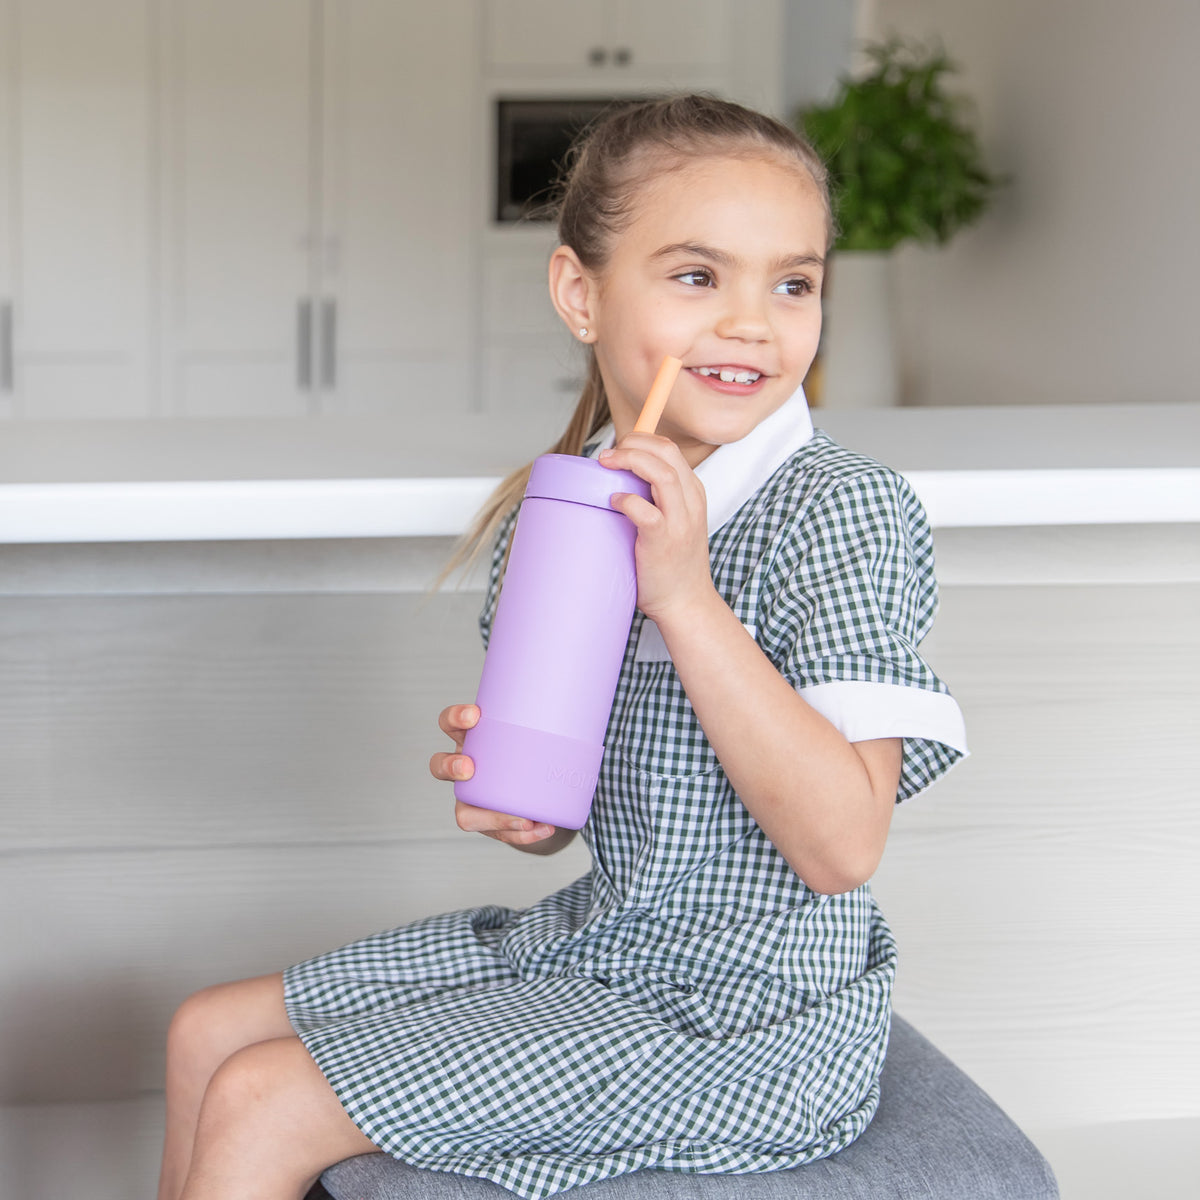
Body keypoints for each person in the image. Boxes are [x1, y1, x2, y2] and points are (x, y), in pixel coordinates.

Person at [157, 94, 968, 1200]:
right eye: (697, 277)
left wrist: (685, 597)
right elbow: (566, 823)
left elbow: (841, 847)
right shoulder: (571, 505)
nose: (752, 322)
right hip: (602, 941)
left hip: (750, 1012)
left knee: (266, 1099)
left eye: (794, 282)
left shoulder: (842, 512)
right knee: (207, 1037)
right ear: (580, 293)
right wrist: (526, 817)